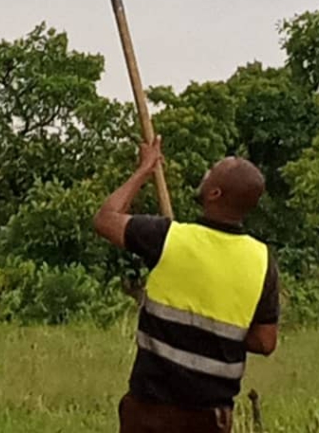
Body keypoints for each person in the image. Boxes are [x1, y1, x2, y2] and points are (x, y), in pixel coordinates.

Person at [94, 137, 279, 432]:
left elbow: (106, 218)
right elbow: (265, 342)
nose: (204, 174)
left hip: (148, 412)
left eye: (210, 172)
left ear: (214, 193)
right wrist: (217, 330)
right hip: (210, 419)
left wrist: (144, 168)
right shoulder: (262, 260)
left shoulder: (168, 238)